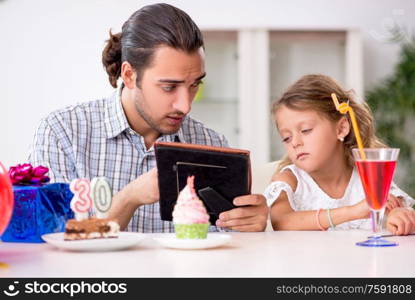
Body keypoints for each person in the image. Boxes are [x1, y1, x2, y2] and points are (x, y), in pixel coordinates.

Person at [29, 3, 268, 233]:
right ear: (130, 75)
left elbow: (227, 253)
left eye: (195, 84)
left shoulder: (212, 144)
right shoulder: (62, 132)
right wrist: (129, 198)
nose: (185, 106)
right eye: (169, 87)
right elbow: (54, 237)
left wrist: (249, 226)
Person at [264, 74, 415, 235]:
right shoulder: (289, 181)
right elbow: (283, 221)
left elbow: (396, 211)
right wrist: (354, 211)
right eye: (287, 138)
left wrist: (398, 216)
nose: (295, 143)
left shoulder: (369, 178)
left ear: (341, 128)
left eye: (306, 130)